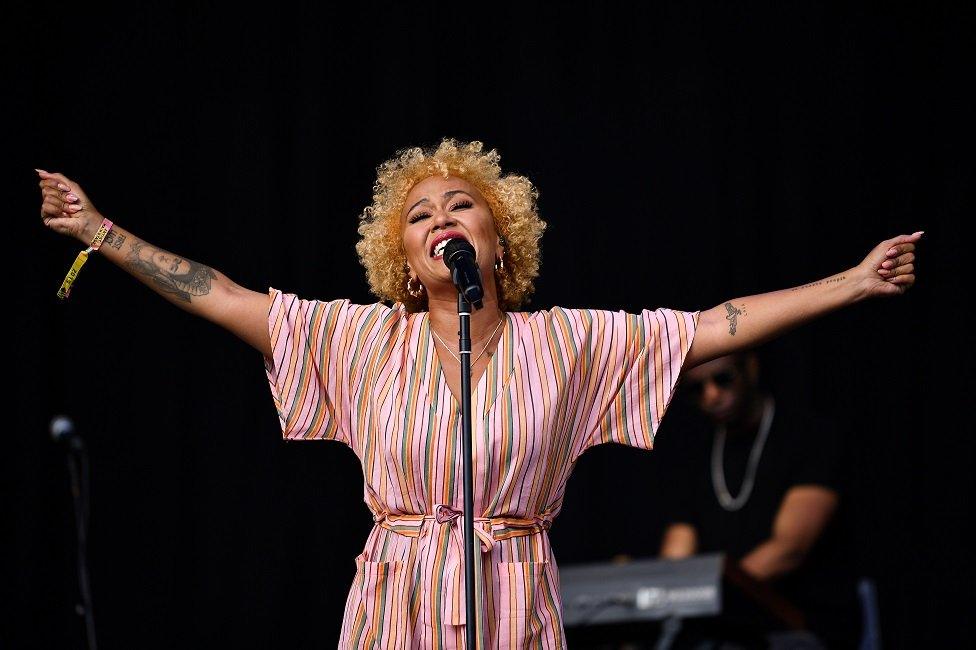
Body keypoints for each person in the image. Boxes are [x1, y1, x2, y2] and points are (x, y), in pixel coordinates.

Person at [36, 138, 920, 649]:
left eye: (461, 206)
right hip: (397, 600)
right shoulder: (361, 340)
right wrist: (99, 232)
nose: (440, 219)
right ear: (406, 262)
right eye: (419, 216)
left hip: (515, 600)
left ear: (501, 241)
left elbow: (708, 327)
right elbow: (222, 294)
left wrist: (849, 281)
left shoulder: (571, 342)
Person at [659, 351, 859, 647]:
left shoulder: (809, 437)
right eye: (696, 389)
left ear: (750, 369)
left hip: (804, 623)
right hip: (723, 627)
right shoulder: (695, 457)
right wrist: (659, 591)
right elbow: (677, 555)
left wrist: (704, 594)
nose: (711, 395)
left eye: (722, 379)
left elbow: (788, 550)